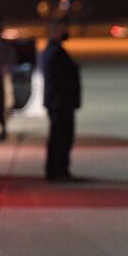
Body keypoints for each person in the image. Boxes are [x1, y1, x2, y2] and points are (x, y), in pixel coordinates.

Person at [41, 19, 81, 181]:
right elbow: (63, 80)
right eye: (63, 29)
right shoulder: (56, 52)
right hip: (60, 102)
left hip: (57, 102)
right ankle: (59, 170)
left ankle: (55, 169)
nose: (66, 32)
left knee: (57, 137)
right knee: (62, 137)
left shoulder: (52, 51)